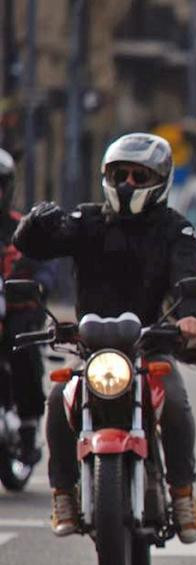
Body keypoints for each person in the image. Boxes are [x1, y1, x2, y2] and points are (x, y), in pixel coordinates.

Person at [14, 133, 196, 543]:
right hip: (91, 350)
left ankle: (182, 493)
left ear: (160, 180)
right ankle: (63, 493)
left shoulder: (175, 228)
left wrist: (192, 316)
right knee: (56, 399)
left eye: (140, 176)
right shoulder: (87, 222)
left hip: (149, 344)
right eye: (121, 174)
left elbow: (189, 274)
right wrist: (36, 222)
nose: (128, 184)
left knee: (173, 400)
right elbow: (33, 245)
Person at [0, 147, 54, 467]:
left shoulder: (23, 227)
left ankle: (30, 423)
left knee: (24, 345)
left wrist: (40, 284)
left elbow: (46, 264)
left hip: (18, 308)